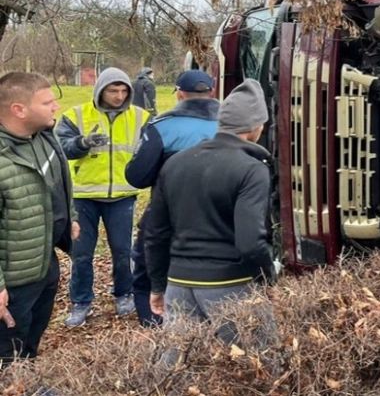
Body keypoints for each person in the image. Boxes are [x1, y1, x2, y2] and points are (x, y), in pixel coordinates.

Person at [144, 79, 276, 341]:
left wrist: (158, 284)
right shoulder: (252, 169)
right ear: (256, 126)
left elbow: (155, 232)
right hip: (230, 286)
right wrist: (268, 277)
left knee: (179, 369)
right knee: (256, 367)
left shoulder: (176, 163)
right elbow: (251, 243)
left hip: (179, 285)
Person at [125, 70, 218, 327]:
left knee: (147, 266)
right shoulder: (232, 126)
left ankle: (155, 325)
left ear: (179, 94)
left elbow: (137, 176)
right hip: (221, 215)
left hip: (168, 213)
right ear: (212, 92)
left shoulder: (161, 126)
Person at [56, 67, 147, 328]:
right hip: (84, 195)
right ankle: (81, 302)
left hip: (122, 195)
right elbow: (61, 149)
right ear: (100, 90)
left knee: (122, 250)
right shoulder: (77, 115)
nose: (119, 96)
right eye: (112, 90)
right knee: (82, 253)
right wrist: (82, 143)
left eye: (123, 91)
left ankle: (124, 294)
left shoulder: (140, 117)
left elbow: (151, 152)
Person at [0, 73, 79, 364]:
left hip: (44, 264)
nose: (56, 107)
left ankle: (26, 382)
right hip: (13, 280)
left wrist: (68, 217)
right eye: (47, 102)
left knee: (31, 340)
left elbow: (58, 185)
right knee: (7, 351)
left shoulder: (44, 137)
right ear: (19, 109)